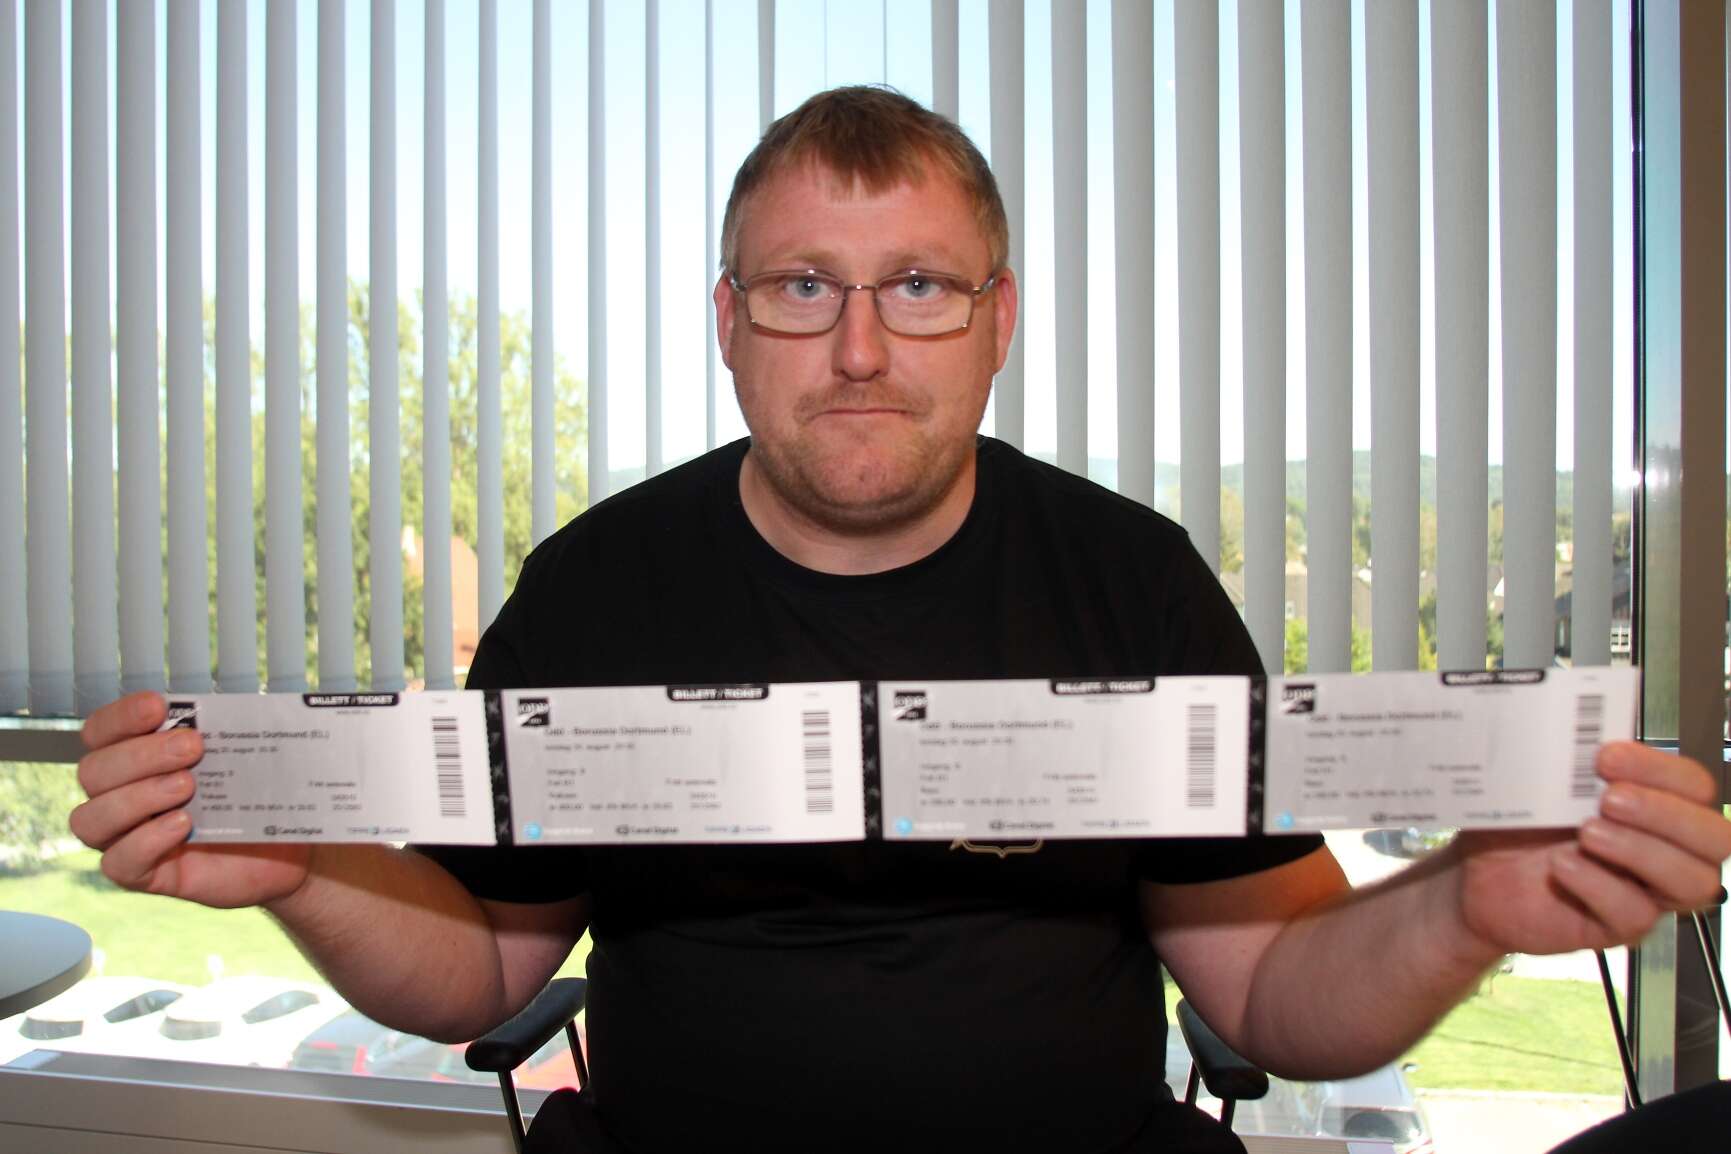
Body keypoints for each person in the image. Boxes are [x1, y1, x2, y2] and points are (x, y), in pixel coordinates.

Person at [71, 87, 1731, 1154]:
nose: (860, 348)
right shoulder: (595, 583)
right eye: (803, 286)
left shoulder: (1132, 577)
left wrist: (1463, 902)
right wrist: (295, 864)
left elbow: (1278, 988)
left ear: (997, 319)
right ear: (730, 322)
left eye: (918, 287)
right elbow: (486, 963)